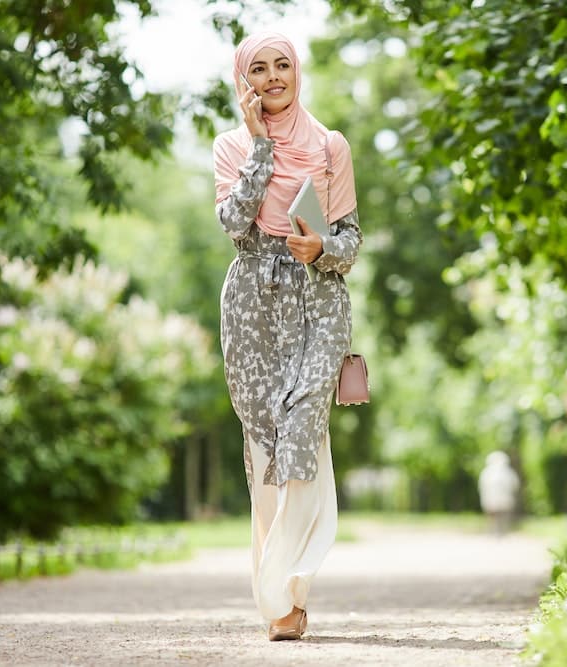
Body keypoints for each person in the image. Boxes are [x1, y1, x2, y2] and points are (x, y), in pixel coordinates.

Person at [212, 31, 362, 642]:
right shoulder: (229, 145)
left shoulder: (330, 145)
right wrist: (257, 146)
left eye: (282, 66)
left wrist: (321, 246)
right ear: (245, 79)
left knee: (303, 428)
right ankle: (284, 605)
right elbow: (232, 221)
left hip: (317, 300)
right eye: (259, 68)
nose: (273, 77)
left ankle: (284, 585)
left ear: (297, 71)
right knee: (267, 450)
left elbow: (351, 241)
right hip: (252, 301)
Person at [478, 451, 520, 536]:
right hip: (503, 499)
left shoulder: (486, 472)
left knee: (492, 516)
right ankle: (502, 531)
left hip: (491, 499)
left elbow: (481, 486)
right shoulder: (508, 472)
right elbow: (515, 484)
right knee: (502, 515)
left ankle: (494, 531)